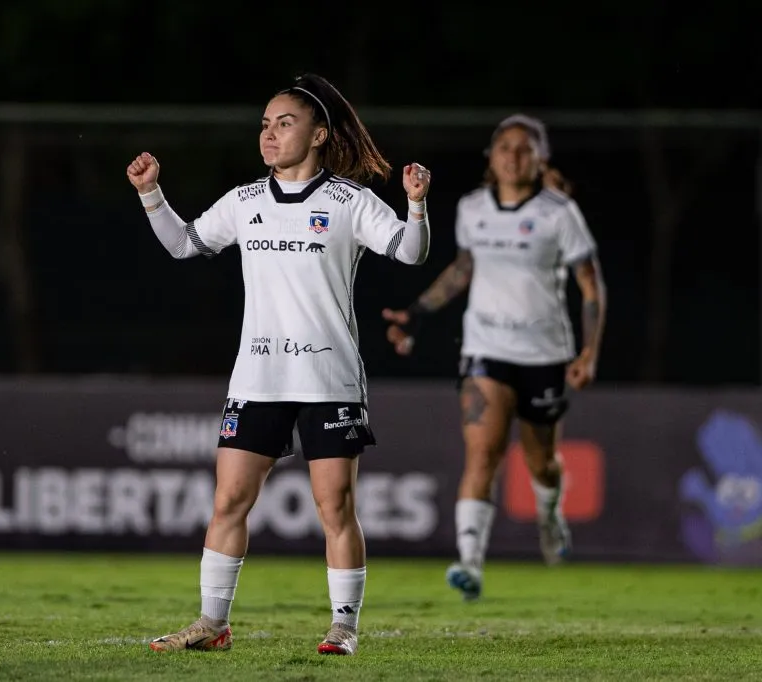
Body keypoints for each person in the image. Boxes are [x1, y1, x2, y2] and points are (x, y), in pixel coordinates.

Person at [126, 73, 432, 655]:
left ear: (319, 135)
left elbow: (410, 252)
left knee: (334, 506)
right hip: (259, 375)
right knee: (227, 501)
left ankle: (343, 627)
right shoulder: (244, 202)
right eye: (264, 124)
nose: (269, 134)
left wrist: (415, 206)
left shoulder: (348, 201)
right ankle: (212, 624)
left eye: (284, 123)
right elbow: (185, 244)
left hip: (327, 376)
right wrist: (151, 195)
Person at [382, 114, 606, 601]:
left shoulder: (558, 212)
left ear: (539, 158)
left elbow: (591, 286)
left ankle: (550, 517)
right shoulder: (472, 208)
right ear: (492, 157)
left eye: (524, 148)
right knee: (482, 454)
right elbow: (464, 269)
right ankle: (469, 562)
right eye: (504, 147)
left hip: (545, 355)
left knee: (542, 462)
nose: (512, 155)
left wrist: (588, 353)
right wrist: (416, 313)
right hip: (486, 350)